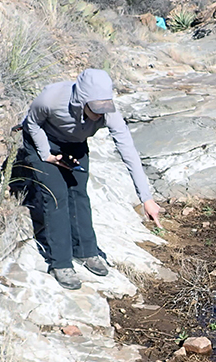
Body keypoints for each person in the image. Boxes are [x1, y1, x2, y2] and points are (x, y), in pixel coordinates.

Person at [19, 69, 162, 290]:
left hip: (74, 145)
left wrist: (146, 199)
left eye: (105, 107)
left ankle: (86, 251)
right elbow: (32, 123)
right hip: (43, 141)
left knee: (79, 194)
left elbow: (128, 151)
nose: (101, 113)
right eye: (96, 108)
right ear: (81, 100)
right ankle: (61, 263)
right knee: (56, 197)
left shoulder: (108, 113)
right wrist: (46, 154)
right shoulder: (51, 98)